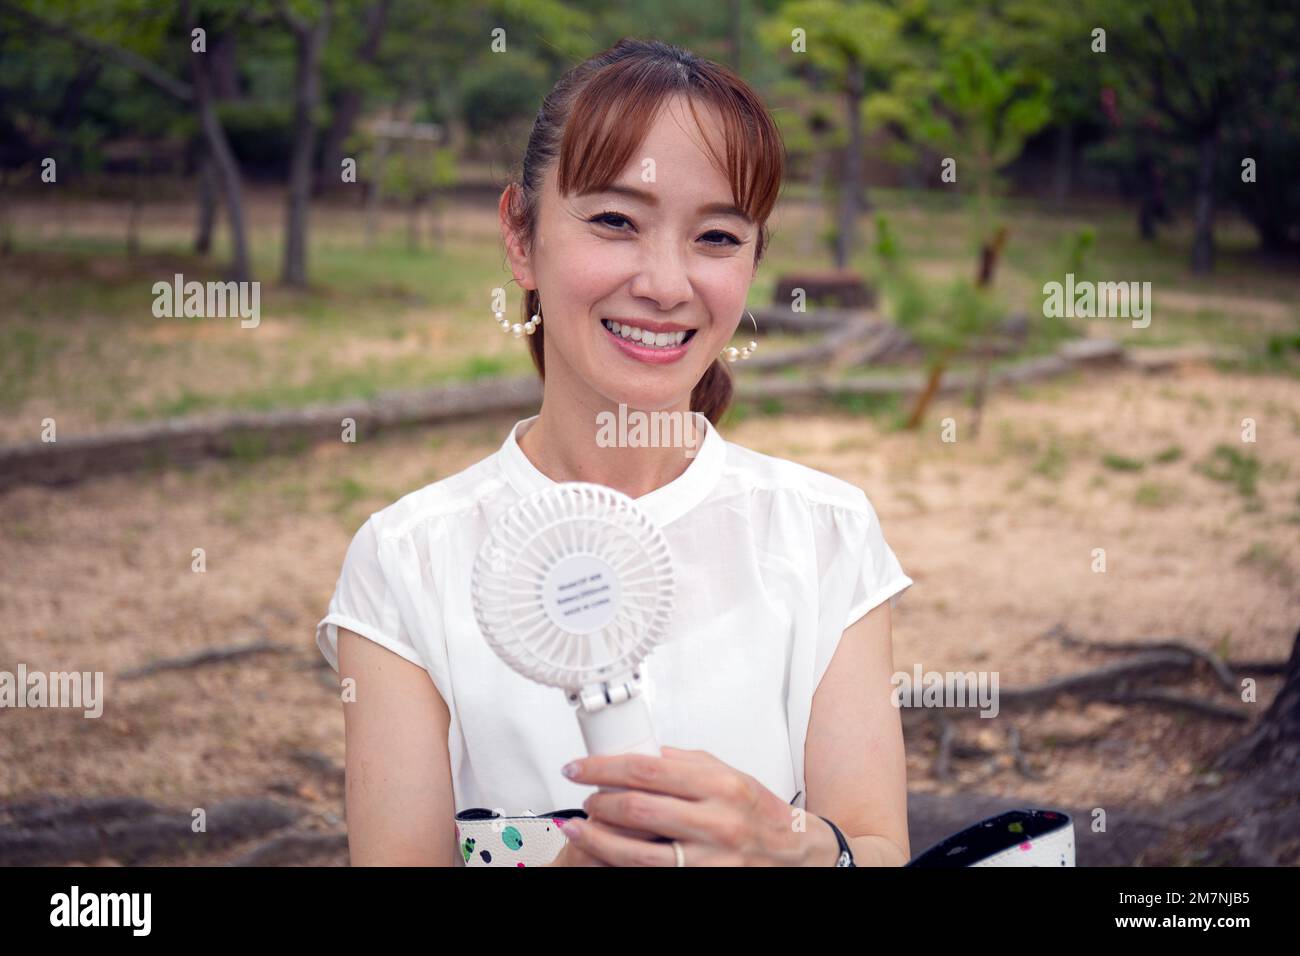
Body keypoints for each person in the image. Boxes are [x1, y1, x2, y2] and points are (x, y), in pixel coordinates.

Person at [316, 37, 913, 867]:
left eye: (717, 237)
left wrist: (795, 849)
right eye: (614, 222)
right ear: (520, 237)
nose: (667, 284)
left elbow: (879, 848)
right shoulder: (406, 560)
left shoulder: (824, 534)